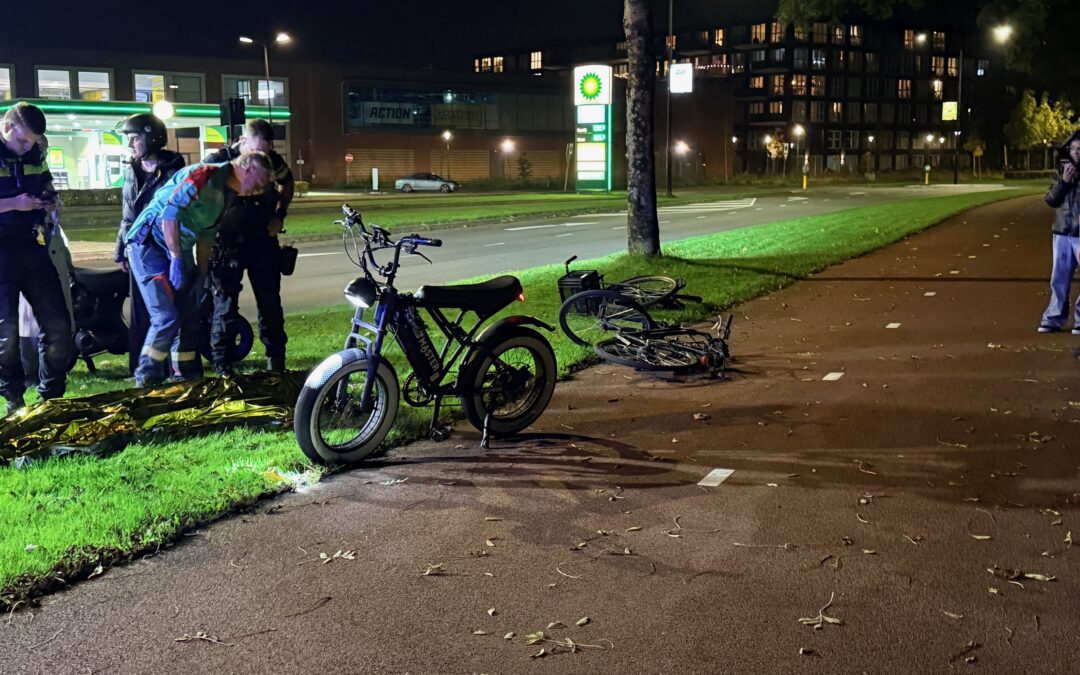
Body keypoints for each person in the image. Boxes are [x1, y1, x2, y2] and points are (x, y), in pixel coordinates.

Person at [124, 152, 275, 388]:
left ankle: (186, 378)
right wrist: (175, 259)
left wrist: (201, 276)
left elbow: (206, 238)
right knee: (165, 317)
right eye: (261, 181)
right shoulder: (203, 175)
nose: (260, 189)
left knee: (189, 316)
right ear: (247, 169)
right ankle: (146, 380)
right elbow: (170, 215)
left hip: (177, 247)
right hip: (149, 245)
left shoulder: (226, 195)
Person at [203, 119, 294, 375]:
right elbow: (197, 196)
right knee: (224, 308)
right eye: (258, 151)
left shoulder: (273, 160)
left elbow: (288, 183)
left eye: (266, 151)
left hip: (262, 241)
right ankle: (223, 369)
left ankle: (276, 365)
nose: (263, 157)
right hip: (226, 245)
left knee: (270, 305)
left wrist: (280, 215)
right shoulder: (218, 161)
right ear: (242, 141)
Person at [0, 102, 74, 414]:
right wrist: (15, 203)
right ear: (6, 128)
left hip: (33, 247)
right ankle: (14, 403)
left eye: (33, 142)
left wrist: (50, 199)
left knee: (57, 325)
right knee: (5, 337)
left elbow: (46, 184)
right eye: (23, 140)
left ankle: (50, 400)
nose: (29, 146)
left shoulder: (34, 154)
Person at [114, 113, 186, 374]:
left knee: (172, 310)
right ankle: (147, 370)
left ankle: (175, 371)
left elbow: (176, 211)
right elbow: (127, 215)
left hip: (167, 247)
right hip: (140, 249)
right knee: (147, 313)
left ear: (151, 138)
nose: (131, 145)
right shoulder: (131, 170)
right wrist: (120, 251)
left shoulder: (174, 168)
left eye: (135, 139)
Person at [1039, 130, 1080, 334]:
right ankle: (1054, 318)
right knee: (1060, 278)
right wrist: (1064, 182)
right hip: (1063, 232)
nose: (1077, 152)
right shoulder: (1061, 171)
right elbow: (1051, 200)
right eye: (1074, 149)